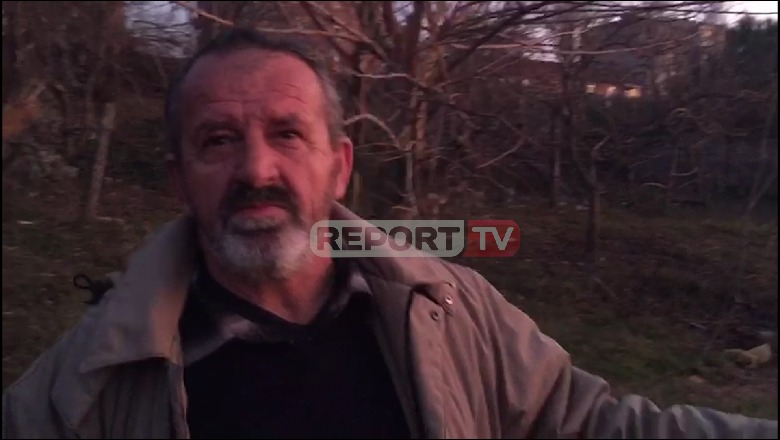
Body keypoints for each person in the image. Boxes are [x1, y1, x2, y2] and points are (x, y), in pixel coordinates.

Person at [1, 27, 777, 440]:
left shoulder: (451, 308)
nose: (257, 169)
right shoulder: (86, 387)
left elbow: (590, 424)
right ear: (179, 180)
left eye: (287, 134)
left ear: (339, 166)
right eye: (218, 141)